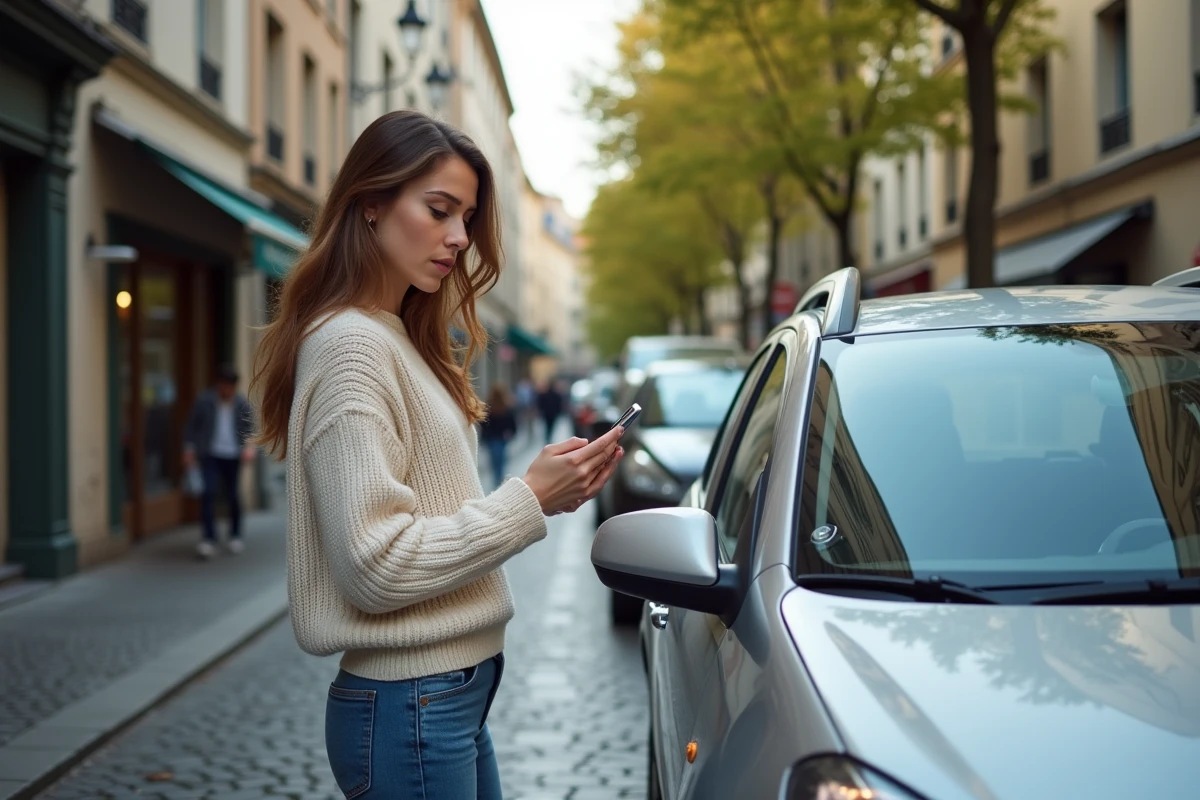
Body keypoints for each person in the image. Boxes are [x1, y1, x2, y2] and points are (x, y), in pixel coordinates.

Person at [250, 110, 624, 799]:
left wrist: (548, 487)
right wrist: (528, 499)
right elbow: (376, 564)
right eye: (439, 210)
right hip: (412, 703)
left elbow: (427, 514)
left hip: (441, 701)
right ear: (370, 203)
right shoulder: (352, 346)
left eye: (467, 217)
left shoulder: (397, 336)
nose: (458, 238)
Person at [183, 365, 257, 559]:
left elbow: (250, 429)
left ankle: (235, 534)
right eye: (223, 386)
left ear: (234, 387)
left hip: (233, 455)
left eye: (229, 387)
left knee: (232, 495)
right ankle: (208, 539)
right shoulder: (205, 401)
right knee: (208, 493)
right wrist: (189, 450)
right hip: (210, 454)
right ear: (218, 385)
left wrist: (249, 448)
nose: (225, 391)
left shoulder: (242, 404)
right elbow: (192, 427)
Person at [479, 383, 517, 489]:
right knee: (501, 461)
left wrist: (484, 438)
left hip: (492, 439)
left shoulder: (488, 406)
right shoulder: (506, 407)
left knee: (494, 461)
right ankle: (499, 480)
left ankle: (497, 480)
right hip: (502, 438)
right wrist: (511, 434)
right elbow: (512, 424)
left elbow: (484, 424)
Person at [535, 380, 565, 445]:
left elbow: (540, 404)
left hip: (547, 414)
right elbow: (559, 405)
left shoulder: (544, 394)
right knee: (551, 427)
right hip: (553, 414)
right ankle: (548, 437)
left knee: (547, 426)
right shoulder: (556, 395)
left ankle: (548, 438)